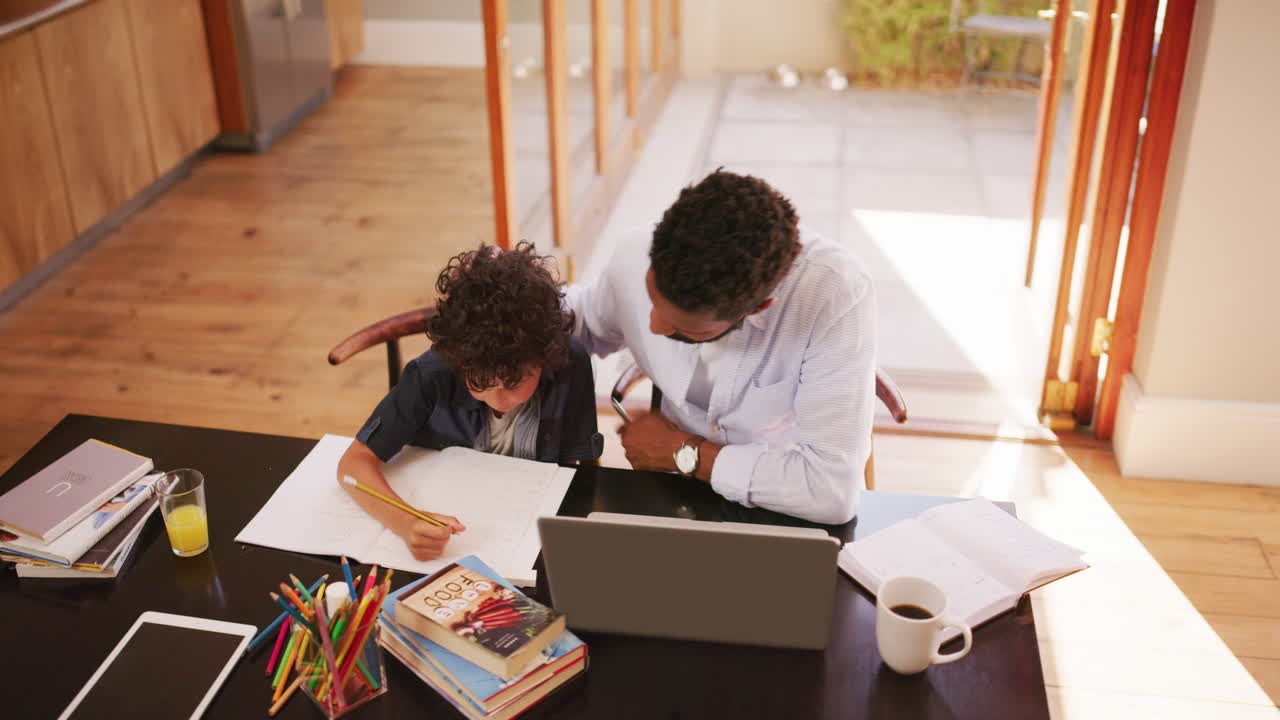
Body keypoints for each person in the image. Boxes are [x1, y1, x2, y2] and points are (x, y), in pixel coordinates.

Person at [564, 170, 877, 525]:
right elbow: (582, 319)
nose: (653, 326)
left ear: (757, 307)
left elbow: (830, 492)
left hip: (782, 510)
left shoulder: (835, 293)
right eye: (650, 299)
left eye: (682, 327)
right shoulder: (635, 252)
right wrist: (505, 293)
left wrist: (682, 453)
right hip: (671, 496)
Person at [337, 242, 602, 560]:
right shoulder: (432, 374)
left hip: (526, 534)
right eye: (479, 384)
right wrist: (406, 522)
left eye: (514, 383)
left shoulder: (570, 363)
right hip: (455, 532)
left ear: (545, 357)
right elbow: (353, 464)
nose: (500, 401)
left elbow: (581, 471)